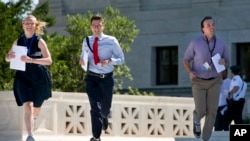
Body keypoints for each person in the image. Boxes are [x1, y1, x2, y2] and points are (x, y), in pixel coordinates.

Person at [5, 15, 52, 141]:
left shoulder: (39, 41)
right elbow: (8, 57)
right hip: (23, 77)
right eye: (27, 23)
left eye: (32, 23)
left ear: (35, 25)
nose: (29, 25)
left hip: (39, 78)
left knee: (36, 109)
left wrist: (31, 60)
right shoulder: (18, 41)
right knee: (28, 105)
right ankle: (30, 135)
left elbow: (49, 61)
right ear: (23, 25)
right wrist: (8, 57)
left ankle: (34, 119)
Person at [183, 16, 230, 141]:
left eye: (213, 24)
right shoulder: (195, 43)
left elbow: (228, 63)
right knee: (201, 110)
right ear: (202, 29)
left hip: (215, 81)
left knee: (212, 111)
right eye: (208, 25)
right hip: (198, 81)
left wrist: (223, 62)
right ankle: (196, 119)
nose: (211, 27)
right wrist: (190, 72)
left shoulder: (221, 43)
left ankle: (205, 138)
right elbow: (186, 60)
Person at [79, 14, 125, 141]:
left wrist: (109, 61)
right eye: (94, 26)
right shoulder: (86, 40)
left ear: (103, 26)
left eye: (99, 25)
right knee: (95, 107)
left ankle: (105, 116)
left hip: (107, 79)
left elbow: (121, 59)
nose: (96, 28)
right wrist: (82, 61)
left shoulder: (111, 40)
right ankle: (96, 137)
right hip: (92, 78)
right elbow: (83, 56)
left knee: (105, 109)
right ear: (90, 27)